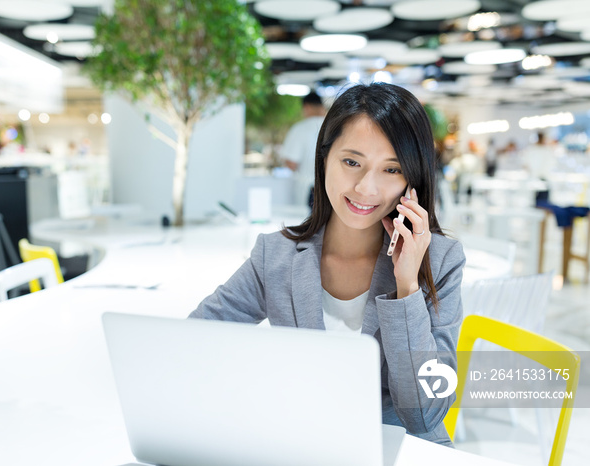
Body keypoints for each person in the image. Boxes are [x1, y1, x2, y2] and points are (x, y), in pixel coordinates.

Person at [189, 83, 465, 447]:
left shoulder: (440, 261)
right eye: (351, 162)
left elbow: (425, 413)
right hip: (304, 443)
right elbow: (195, 341)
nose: (366, 188)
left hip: (399, 450)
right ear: (323, 160)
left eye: (391, 170)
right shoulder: (276, 256)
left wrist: (406, 287)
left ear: (412, 182)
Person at [280, 91, 326, 208]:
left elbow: (292, 163)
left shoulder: (299, 129)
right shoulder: (332, 127)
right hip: (330, 186)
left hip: (307, 188)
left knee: (307, 222)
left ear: (307, 107)